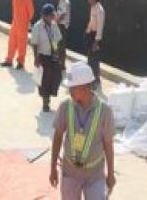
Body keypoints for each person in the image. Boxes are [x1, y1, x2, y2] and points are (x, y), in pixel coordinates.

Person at [50, 62, 116, 200]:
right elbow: (57, 137)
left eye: (72, 88)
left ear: (85, 88)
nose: (69, 91)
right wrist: (53, 168)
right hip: (70, 173)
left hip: (95, 175)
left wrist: (110, 174)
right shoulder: (65, 107)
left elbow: (108, 145)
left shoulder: (105, 112)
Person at [32, 3, 64, 113]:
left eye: (53, 15)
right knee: (45, 79)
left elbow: (56, 41)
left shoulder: (54, 25)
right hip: (43, 56)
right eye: (50, 15)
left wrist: (58, 55)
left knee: (56, 76)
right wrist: (36, 57)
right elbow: (35, 43)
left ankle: (49, 95)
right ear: (44, 16)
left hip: (53, 55)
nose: (52, 17)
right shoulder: (37, 26)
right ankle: (45, 101)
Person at [0, 0, 35, 70]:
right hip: (15, 23)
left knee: (22, 44)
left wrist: (27, 22)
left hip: (23, 25)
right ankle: (9, 60)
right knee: (11, 42)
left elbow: (31, 13)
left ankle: (20, 62)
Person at [85, 0, 105, 88]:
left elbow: (100, 27)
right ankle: (91, 79)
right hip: (91, 34)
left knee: (95, 60)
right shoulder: (93, 7)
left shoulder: (100, 10)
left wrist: (96, 43)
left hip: (96, 37)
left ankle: (96, 81)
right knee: (90, 59)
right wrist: (88, 30)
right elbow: (91, 20)